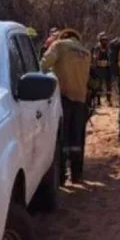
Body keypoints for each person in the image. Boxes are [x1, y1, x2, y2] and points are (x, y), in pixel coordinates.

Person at [41, 28, 91, 183]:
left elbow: (44, 65)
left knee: (62, 138)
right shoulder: (86, 52)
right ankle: (76, 175)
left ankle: (61, 177)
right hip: (81, 99)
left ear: (63, 36)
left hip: (63, 98)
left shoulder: (59, 46)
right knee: (77, 138)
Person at [92, 32, 113, 106]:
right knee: (99, 85)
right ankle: (98, 101)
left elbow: (110, 57)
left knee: (109, 85)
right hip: (99, 69)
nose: (105, 41)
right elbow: (94, 58)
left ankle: (109, 100)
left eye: (106, 40)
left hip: (107, 68)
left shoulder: (108, 48)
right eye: (103, 40)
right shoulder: (97, 48)